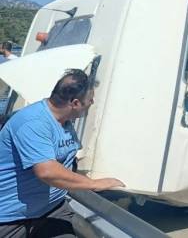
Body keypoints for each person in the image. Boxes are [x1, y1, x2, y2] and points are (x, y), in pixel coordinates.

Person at [0, 69, 124, 237]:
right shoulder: (33, 122)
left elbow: (66, 159)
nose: (92, 102)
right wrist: (96, 184)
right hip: (11, 218)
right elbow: (47, 171)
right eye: (90, 99)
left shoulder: (64, 121)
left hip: (52, 210)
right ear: (75, 103)